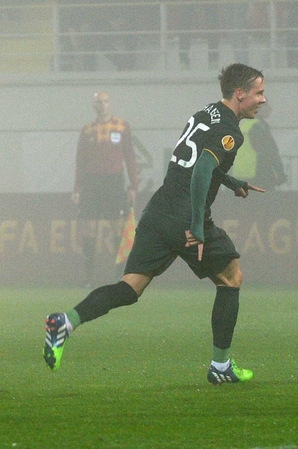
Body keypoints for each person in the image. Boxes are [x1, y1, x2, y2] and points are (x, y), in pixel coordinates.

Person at [44, 63, 268, 386]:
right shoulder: (231, 131)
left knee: (129, 288)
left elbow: (193, 160)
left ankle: (65, 322)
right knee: (231, 278)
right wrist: (197, 226)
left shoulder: (205, 113)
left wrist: (232, 182)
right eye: (259, 93)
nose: (263, 99)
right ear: (240, 94)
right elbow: (202, 170)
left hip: (158, 210)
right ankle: (220, 366)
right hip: (185, 215)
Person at [73, 91, 139, 288]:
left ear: (110, 104)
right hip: (92, 183)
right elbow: (80, 161)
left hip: (114, 182)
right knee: (89, 228)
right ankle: (88, 278)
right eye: (99, 102)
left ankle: (120, 275)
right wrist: (77, 188)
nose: (102, 105)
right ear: (93, 105)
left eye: (105, 101)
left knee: (117, 227)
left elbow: (130, 157)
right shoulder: (87, 130)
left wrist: (133, 186)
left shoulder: (122, 126)